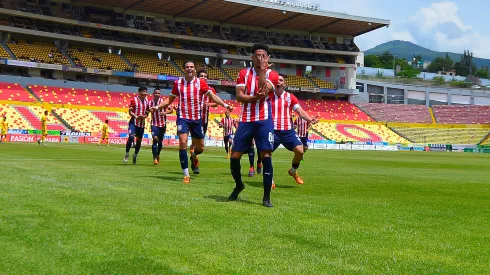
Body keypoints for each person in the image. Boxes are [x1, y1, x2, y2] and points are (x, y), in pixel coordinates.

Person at [152, 60, 233, 183]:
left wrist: (225, 105)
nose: (189, 68)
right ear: (184, 69)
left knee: (200, 148)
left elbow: (213, 97)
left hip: (197, 119)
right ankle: (186, 174)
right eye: (187, 67)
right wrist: (157, 107)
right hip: (183, 118)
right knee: (183, 142)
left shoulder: (201, 83)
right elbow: (169, 100)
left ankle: (194, 155)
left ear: (194, 69)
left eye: (191, 67)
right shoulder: (178, 83)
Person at [228, 43, 278, 207]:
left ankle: (266, 197)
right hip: (246, 119)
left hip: (264, 120)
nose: (260, 57)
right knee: (235, 156)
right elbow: (239, 97)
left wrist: (263, 71)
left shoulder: (273, 74)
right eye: (257, 55)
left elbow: (264, 89)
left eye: (263, 55)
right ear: (252, 57)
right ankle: (239, 185)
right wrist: (255, 98)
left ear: (267, 57)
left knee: (266, 155)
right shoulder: (243, 73)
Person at [270, 75, 318, 186]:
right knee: (266, 154)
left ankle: (293, 171)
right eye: (277, 80)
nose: (279, 82)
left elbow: (300, 112)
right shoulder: (268, 96)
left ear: (284, 84)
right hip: (272, 130)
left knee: (300, 151)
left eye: (281, 80)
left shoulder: (290, 97)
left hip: (287, 130)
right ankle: (270, 179)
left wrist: (310, 119)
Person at [189, 69, 218, 160]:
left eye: (205, 76)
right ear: (197, 77)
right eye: (201, 76)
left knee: (200, 144)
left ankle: (194, 156)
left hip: (204, 119)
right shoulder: (192, 87)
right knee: (194, 142)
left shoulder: (211, 90)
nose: (203, 78)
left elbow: (216, 103)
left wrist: (209, 104)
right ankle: (195, 161)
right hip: (194, 118)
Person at [123, 87, 149, 165]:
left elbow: (147, 113)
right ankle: (127, 154)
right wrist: (136, 116)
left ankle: (135, 155)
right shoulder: (133, 100)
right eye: (144, 91)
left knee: (138, 141)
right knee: (131, 137)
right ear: (139, 92)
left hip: (141, 124)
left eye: (146, 92)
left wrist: (144, 116)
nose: (145, 93)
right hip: (133, 123)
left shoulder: (147, 101)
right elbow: (130, 111)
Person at [148, 87, 173, 165]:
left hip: (162, 125)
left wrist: (164, 113)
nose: (157, 94)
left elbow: (171, 110)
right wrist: (149, 110)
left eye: (158, 93)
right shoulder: (149, 102)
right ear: (153, 94)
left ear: (160, 94)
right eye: (156, 93)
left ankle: (158, 154)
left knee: (160, 142)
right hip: (154, 124)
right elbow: (147, 110)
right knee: (155, 139)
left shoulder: (163, 102)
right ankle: (154, 158)